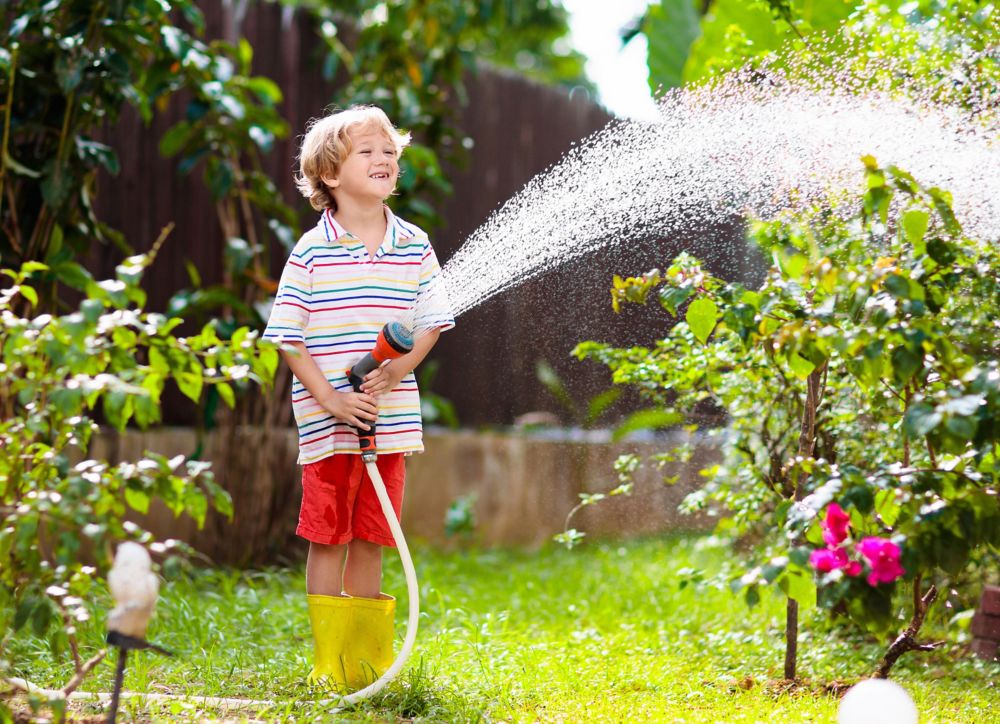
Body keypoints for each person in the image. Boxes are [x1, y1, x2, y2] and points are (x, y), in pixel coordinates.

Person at [263, 105, 454, 690]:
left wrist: (399, 373)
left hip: (390, 422)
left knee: (373, 534)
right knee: (329, 535)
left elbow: (430, 323)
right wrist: (332, 401)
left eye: (390, 152)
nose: (384, 159)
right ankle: (330, 666)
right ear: (328, 174)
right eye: (367, 151)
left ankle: (365, 668)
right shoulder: (312, 250)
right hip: (328, 425)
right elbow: (289, 340)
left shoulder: (414, 244)